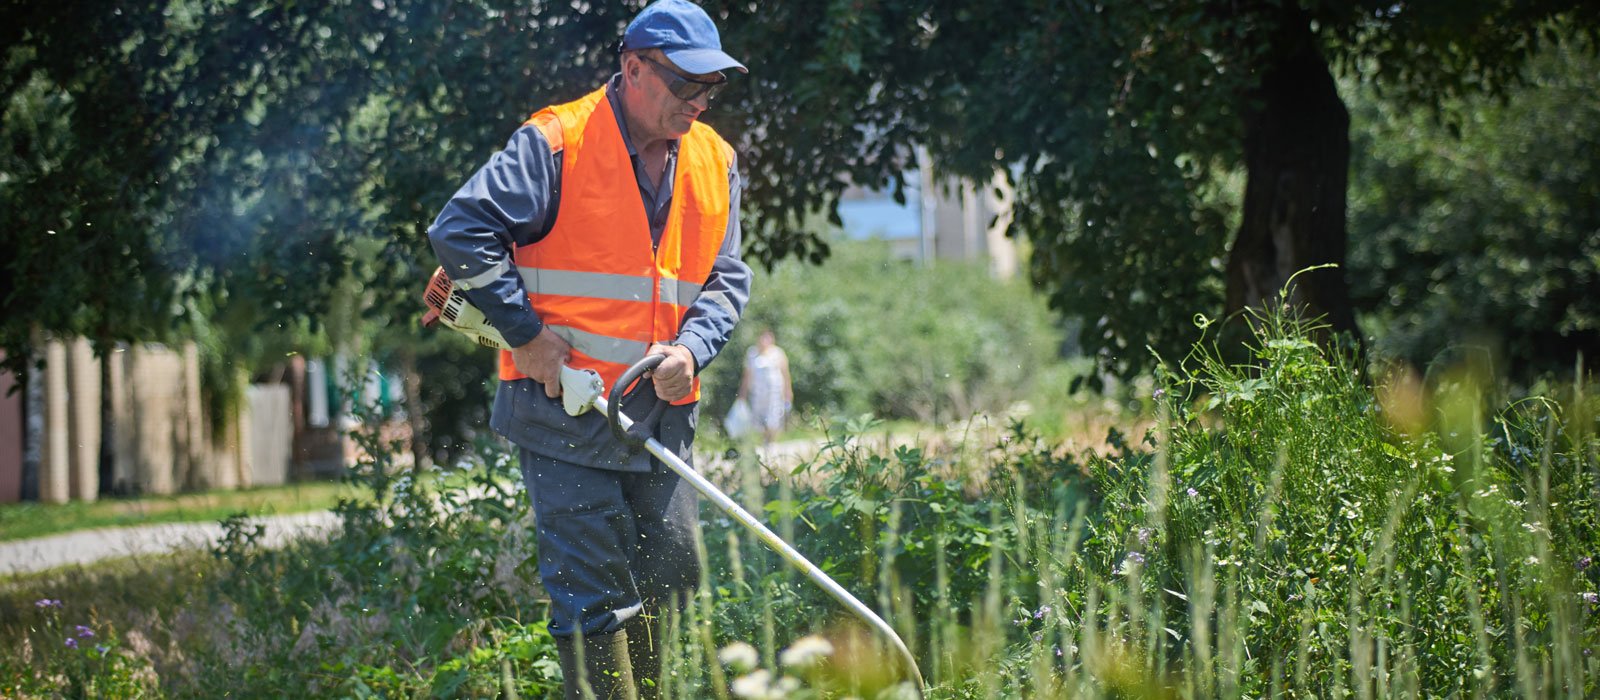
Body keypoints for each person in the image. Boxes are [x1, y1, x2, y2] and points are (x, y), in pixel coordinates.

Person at [426, 1, 750, 697]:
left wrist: (692, 350)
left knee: (672, 584)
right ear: (633, 67)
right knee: (597, 599)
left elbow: (725, 280)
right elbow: (460, 230)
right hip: (562, 414)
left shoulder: (716, 161)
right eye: (684, 84)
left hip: (660, 415)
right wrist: (528, 338)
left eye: (709, 87)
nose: (698, 100)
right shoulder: (556, 144)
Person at [738, 329, 792, 446]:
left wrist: (788, 392)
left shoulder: (778, 353)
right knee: (758, 419)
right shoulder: (752, 353)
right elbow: (746, 375)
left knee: (773, 418)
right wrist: (742, 393)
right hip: (757, 393)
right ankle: (764, 440)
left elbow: (785, 374)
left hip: (774, 394)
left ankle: (771, 441)